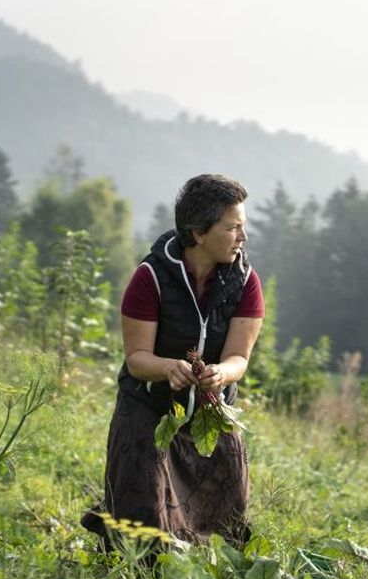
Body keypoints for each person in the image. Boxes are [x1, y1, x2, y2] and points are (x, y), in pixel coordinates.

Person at [82, 174, 264, 549]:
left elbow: (238, 357)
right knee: (140, 528)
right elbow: (137, 360)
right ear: (198, 233)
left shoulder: (246, 282)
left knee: (227, 520)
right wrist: (168, 368)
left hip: (211, 412)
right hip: (149, 407)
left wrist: (221, 373)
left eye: (243, 227)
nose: (242, 237)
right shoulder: (149, 277)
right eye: (232, 228)